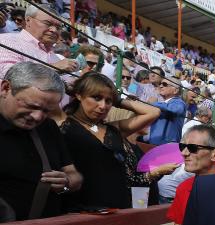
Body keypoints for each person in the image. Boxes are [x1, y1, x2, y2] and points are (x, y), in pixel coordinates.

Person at [54, 72, 175, 209]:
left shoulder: (112, 129)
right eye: (96, 97)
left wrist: (118, 100)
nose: (103, 106)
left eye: (108, 101)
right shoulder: (64, 122)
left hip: (118, 208)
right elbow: (44, 83)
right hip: (83, 208)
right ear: (79, 95)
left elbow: (154, 112)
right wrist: (72, 90)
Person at [0, 62, 82, 221]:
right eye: (31, 106)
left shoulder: (48, 127)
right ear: (5, 88)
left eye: (46, 111)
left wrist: (65, 183)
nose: (37, 117)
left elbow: (75, 178)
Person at [0, 5, 79, 78]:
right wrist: (54, 68)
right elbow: (10, 76)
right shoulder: (7, 41)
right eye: (48, 23)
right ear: (28, 20)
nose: (54, 30)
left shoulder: (57, 57)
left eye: (58, 27)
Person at [147, 79, 186, 146]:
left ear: (175, 90)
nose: (161, 86)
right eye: (160, 84)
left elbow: (175, 109)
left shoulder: (179, 102)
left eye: (165, 84)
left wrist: (154, 103)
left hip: (167, 145)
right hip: (155, 143)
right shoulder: (163, 104)